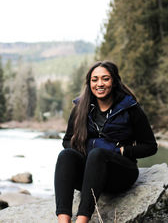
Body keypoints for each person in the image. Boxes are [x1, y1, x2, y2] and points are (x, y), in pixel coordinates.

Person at [54, 61, 158, 223]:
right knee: (66, 155)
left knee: (98, 154)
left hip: (120, 174)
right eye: (94, 80)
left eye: (105, 79)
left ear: (114, 81)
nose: (99, 84)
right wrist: (83, 152)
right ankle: (63, 220)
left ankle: (82, 220)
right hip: (89, 176)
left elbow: (151, 146)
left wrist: (123, 151)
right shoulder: (80, 108)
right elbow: (67, 140)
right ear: (89, 83)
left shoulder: (130, 108)